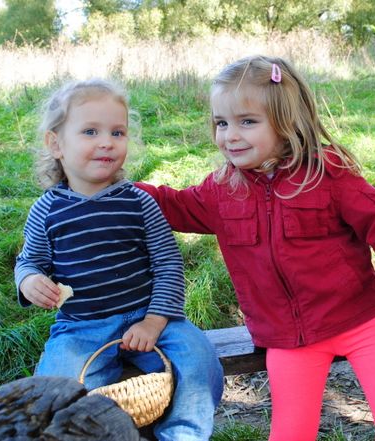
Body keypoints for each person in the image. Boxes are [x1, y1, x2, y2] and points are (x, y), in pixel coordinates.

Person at [136, 56, 375, 441]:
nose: (230, 135)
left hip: (360, 319)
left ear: (286, 122)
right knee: (291, 433)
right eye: (221, 123)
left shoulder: (327, 173)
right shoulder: (222, 190)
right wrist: (117, 189)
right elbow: (173, 205)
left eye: (247, 121)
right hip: (286, 336)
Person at [14, 78, 223, 441]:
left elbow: (168, 264)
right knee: (53, 389)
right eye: (90, 131)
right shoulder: (46, 211)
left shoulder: (139, 203)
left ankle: (184, 434)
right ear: (56, 144)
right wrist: (29, 280)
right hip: (81, 327)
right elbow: (30, 261)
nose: (106, 142)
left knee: (199, 360)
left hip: (150, 316)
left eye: (117, 132)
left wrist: (154, 322)